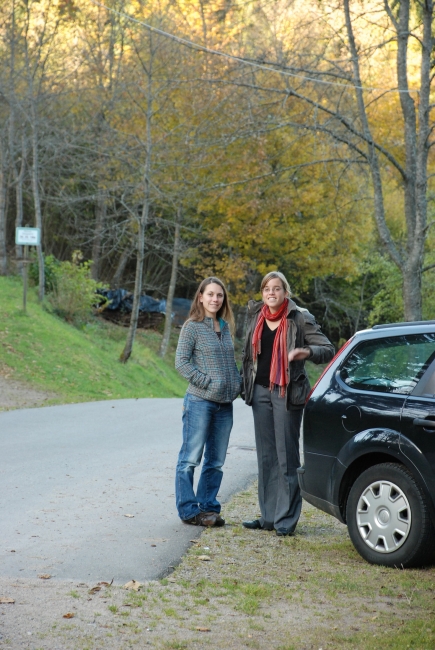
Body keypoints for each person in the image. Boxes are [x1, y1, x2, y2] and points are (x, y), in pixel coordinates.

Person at [241, 271, 334, 536]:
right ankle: (268, 517)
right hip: (259, 391)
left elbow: (327, 348)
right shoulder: (256, 316)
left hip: (286, 392)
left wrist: (307, 351)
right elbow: (248, 356)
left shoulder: (299, 317)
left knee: (286, 456)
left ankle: (285, 520)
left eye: (277, 288)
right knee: (266, 456)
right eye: (267, 289)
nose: (271, 293)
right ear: (262, 293)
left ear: (286, 292)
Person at [175, 277, 242, 527]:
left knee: (216, 461)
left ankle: (208, 507)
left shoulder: (225, 328)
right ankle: (189, 510)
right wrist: (207, 382)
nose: (215, 299)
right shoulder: (192, 326)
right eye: (210, 294)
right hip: (199, 402)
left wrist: (237, 384)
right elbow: (181, 362)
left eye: (220, 295)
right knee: (190, 458)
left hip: (225, 406)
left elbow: (231, 364)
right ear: (200, 296)